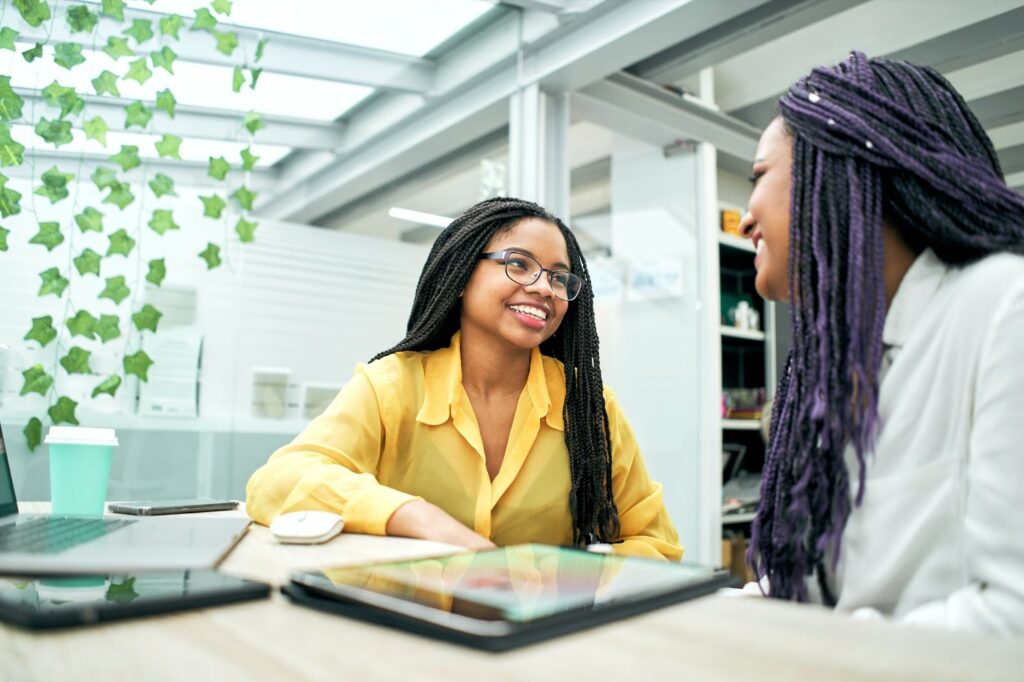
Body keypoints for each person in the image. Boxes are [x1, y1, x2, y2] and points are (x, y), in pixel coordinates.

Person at [737, 51, 1024, 635]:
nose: (744, 218)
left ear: (833, 169)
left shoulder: (1004, 307)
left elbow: (1012, 617)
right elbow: (824, 591)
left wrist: (810, 649)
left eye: (759, 176)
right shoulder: (840, 365)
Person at [246, 197, 682, 560]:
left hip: (540, 639)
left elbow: (656, 543)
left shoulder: (587, 406)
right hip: (406, 633)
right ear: (460, 276)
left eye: (557, 276)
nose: (544, 288)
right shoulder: (391, 386)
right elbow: (278, 480)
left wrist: (562, 582)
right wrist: (416, 517)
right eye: (519, 264)